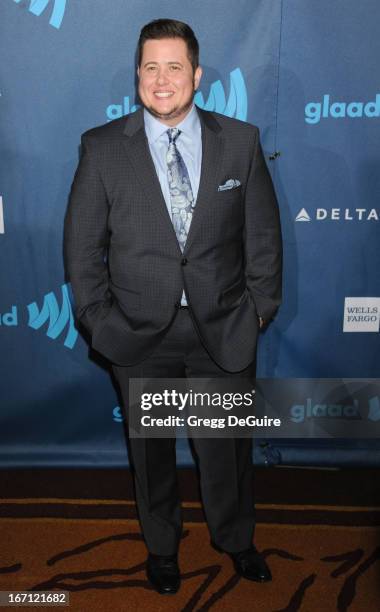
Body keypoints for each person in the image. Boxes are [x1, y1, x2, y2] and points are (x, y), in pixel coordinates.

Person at [64, 18, 282, 595]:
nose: (162, 80)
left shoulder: (241, 141)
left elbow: (262, 238)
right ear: (138, 75)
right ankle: (162, 548)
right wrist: (100, 322)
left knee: (225, 454)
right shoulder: (103, 147)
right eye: (150, 67)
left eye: (174, 67)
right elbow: (83, 252)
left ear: (197, 75)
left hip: (224, 329)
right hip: (139, 336)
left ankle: (235, 539)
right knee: (151, 455)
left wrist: (257, 310)